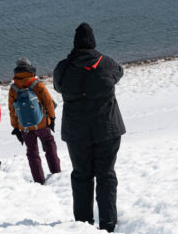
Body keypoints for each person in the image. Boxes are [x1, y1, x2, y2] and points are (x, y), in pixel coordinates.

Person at [54, 23, 125, 234]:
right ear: (93, 43)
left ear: (75, 44)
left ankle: (83, 225)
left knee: (81, 175)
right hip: (107, 130)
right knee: (106, 175)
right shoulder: (107, 63)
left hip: (77, 133)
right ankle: (108, 223)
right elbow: (119, 73)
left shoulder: (64, 68)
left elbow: (58, 86)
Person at [8, 56, 61, 184]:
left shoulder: (13, 88)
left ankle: (39, 180)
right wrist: (52, 118)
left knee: (32, 153)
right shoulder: (37, 84)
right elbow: (48, 102)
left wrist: (16, 127)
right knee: (49, 144)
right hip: (41, 123)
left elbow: (12, 110)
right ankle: (56, 172)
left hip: (25, 127)